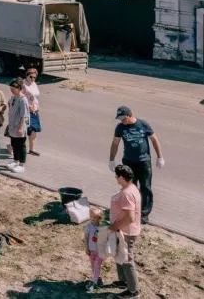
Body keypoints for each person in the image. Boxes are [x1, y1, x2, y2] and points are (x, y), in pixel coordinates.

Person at [108, 106, 164, 224]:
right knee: (129, 188)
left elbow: (154, 140)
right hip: (128, 162)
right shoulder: (120, 128)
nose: (122, 121)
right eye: (120, 119)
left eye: (123, 118)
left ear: (130, 115)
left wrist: (160, 157)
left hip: (144, 162)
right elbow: (115, 143)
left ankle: (144, 214)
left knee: (145, 187)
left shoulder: (143, 124)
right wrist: (111, 160)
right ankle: (131, 211)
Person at [109, 164, 143, 298]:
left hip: (126, 232)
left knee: (127, 260)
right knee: (120, 255)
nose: (115, 178)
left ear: (122, 178)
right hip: (123, 230)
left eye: (117, 176)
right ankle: (123, 281)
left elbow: (130, 217)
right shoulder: (132, 187)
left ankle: (134, 291)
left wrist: (115, 226)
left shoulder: (126, 193)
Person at [6, 78, 29, 173]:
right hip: (12, 126)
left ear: (19, 88)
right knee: (14, 145)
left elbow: (24, 115)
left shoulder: (23, 100)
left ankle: (21, 165)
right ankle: (15, 161)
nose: (12, 90)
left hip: (19, 127)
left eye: (14, 89)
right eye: (11, 88)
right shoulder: (13, 97)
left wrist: (20, 128)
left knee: (20, 146)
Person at [83, 207, 105, 292]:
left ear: (99, 218)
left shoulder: (102, 227)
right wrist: (87, 248)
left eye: (95, 217)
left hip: (100, 251)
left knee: (97, 265)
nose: (92, 218)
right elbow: (86, 238)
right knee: (93, 265)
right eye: (91, 216)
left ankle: (93, 282)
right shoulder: (88, 226)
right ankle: (98, 278)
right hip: (91, 250)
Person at [22, 68, 42, 156]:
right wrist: (28, 106)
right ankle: (13, 146)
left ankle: (32, 149)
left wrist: (36, 107)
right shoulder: (23, 85)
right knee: (25, 129)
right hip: (26, 111)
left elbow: (35, 96)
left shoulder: (34, 84)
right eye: (31, 77)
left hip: (34, 111)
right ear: (27, 75)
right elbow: (20, 97)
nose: (33, 79)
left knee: (34, 129)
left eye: (34, 77)